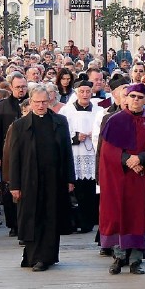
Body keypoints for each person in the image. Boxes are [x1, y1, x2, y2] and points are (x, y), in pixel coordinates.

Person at [9, 85, 76, 271]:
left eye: (44, 102)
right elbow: (14, 157)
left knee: (51, 216)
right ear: (30, 102)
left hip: (54, 179)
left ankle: (46, 256)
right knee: (32, 216)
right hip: (29, 179)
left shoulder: (60, 122)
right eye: (36, 102)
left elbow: (67, 152)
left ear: (49, 102)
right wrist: (14, 184)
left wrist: (70, 179)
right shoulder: (20, 125)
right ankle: (32, 254)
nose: (40, 106)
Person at [99, 83, 145, 275]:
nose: (136, 100)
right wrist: (128, 159)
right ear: (126, 98)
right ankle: (119, 257)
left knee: (138, 216)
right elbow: (108, 150)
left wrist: (141, 159)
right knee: (119, 215)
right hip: (120, 176)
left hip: (142, 176)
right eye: (133, 96)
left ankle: (136, 259)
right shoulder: (115, 120)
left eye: (140, 97)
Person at [59, 80, 102, 234]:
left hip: (92, 154)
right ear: (76, 92)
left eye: (87, 91)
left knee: (90, 191)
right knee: (75, 191)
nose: (85, 94)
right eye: (81, 91)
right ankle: (73, 221)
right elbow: (61, 132)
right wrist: (76, 137)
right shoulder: (66, 111)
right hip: (75, 154)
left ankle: (88, 222)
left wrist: (94, 134)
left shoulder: (98, 109)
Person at [0, 72, 28, 237]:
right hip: (7, 154)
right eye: (18, 87)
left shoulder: (32, 102)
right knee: (8, 189)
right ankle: (13, 224)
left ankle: (25, 223)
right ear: (11, 88)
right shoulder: (2, 106)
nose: (21, 90)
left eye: (24, 86)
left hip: (28, 153)